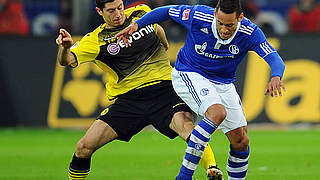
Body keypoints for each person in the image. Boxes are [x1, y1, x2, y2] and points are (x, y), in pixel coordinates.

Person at [115, 0, 286, 179]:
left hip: (223, 83)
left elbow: (274, 58)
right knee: (217, 112)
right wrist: (136, 24)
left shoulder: (250, 32)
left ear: (240, 18)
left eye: (230, 25)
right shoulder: (198, 16)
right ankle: (184, 176)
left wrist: (276, 76)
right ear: (215, 15)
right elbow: (166, 11)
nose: (224, 29)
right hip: (189, 73)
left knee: (241, 140)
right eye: (220, 23)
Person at [55, 0, 223, 179]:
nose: (118, 14)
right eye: (111, 11)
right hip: (129, 100)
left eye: (120, 7)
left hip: (164, 90)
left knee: (186, 126)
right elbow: (67, 60)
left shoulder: (141, 13)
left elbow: (157, 29)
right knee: (84, 147)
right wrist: (65, 47)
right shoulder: (95, 40)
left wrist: (164, 45)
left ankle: (212, 169)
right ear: (99, 11)